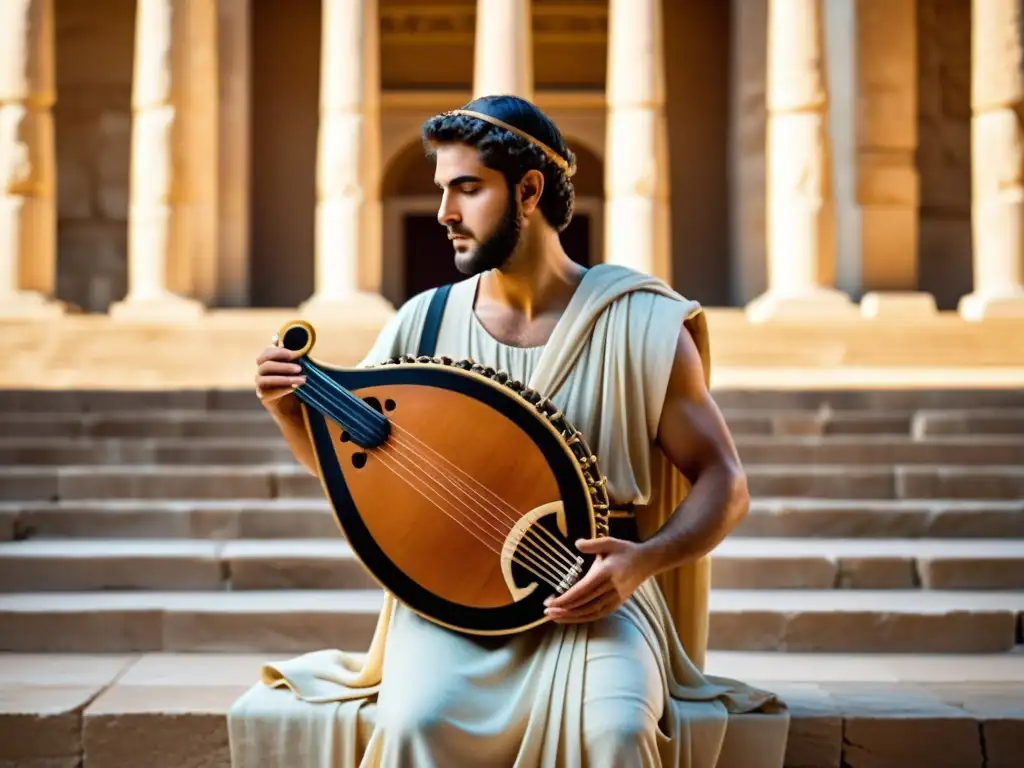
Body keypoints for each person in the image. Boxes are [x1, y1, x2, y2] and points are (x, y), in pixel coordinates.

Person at [231, 94, 788, 768]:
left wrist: (643, 561)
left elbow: (724, 482)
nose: (444, 213)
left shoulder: (640, 324)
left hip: (591, 594)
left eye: (467, 188)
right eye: (441, 191)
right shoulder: (422, 324)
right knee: (416, 723)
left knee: (614, 734)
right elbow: (366, 480)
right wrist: (291, 411)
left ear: (528, 190)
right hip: (449, 604)